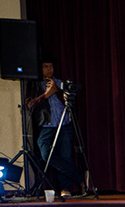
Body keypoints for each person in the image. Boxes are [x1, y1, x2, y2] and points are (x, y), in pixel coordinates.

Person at [25, 59, 84, 196]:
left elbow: (71, 102)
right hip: (47, 125)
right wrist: (46, 94)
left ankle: (65, 189)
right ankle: (79, 178)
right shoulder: (34, 85)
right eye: (45, 66)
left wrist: (57, 90)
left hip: (64, 124)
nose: (49, 69)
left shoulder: (60, 83)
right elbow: (30, 106)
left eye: (51, 66)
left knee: (66, 155)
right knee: (46, 153)